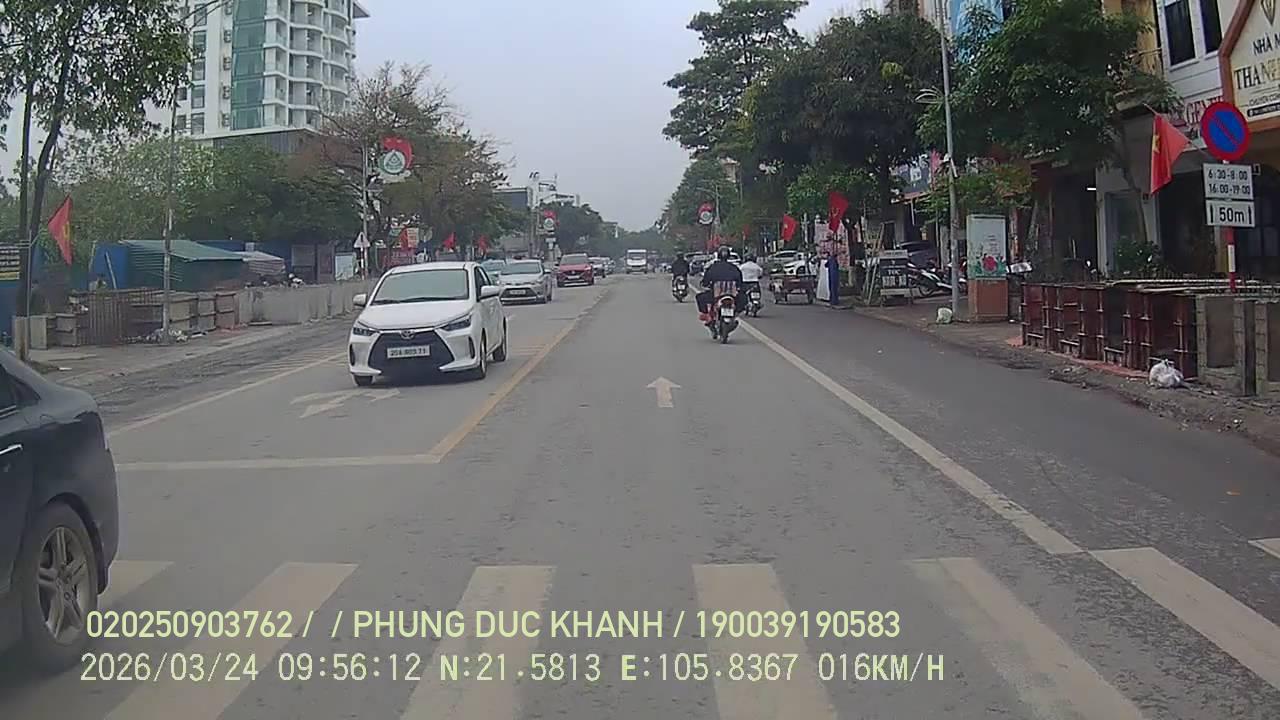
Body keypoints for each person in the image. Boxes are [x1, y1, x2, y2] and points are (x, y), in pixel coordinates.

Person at [697, 246, 743, 322]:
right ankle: (735, 313)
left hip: (717, 294)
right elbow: (740, 281)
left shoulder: (713, 267)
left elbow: (706, 280)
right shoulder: (734, 268)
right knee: (743, 298)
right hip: (732, 295)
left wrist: (705, 284)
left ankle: (706, 315)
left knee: (700, 297)